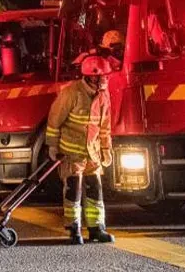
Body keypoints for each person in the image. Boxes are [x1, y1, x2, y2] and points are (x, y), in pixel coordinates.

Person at [44, 52, 115, 245]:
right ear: (91, 76)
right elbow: (54, 120)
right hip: (71, 153)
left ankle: (96, 228)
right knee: (73, 190)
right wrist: (52, 146)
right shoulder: (71, 93)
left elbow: (105, 126)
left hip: (92, 154)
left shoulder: (103, 95)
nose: (105, 80)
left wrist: (107, 149)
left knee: (95, 189)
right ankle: (74, 228)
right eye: (102, 76)